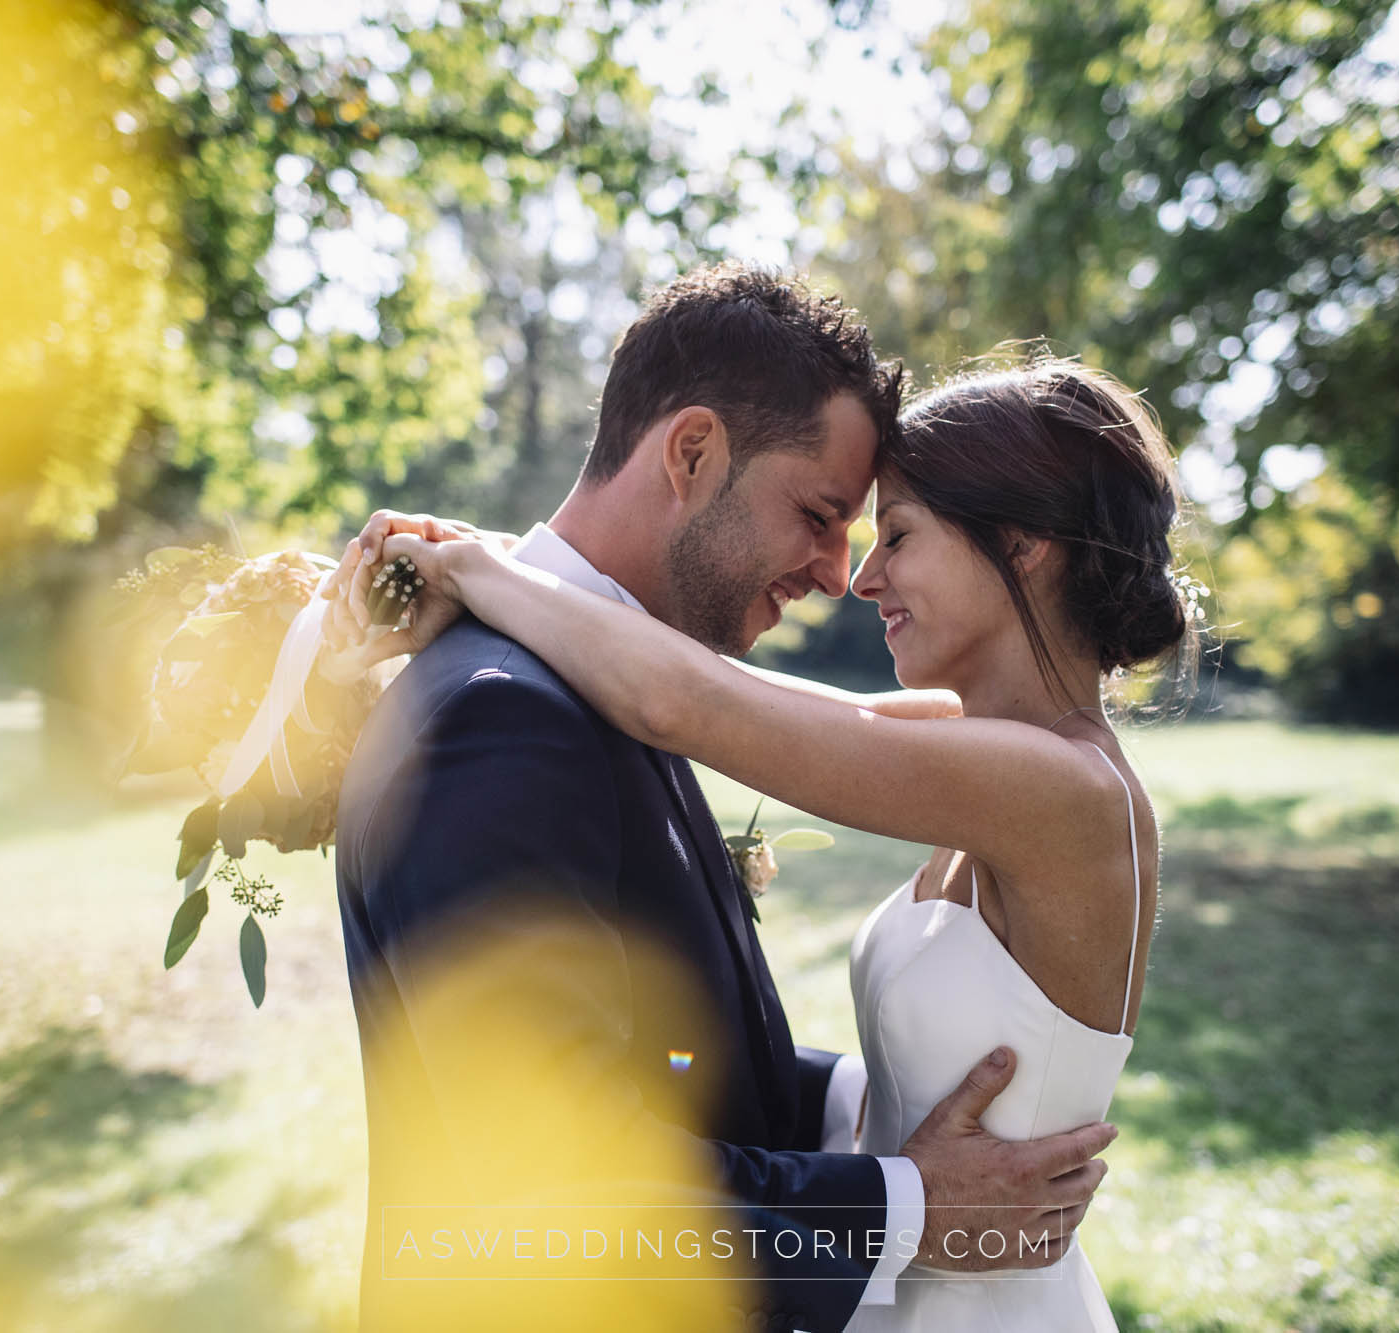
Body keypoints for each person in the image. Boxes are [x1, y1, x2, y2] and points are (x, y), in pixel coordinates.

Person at [328, 263, 1124, 1333]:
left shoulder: (625, 686)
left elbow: (681, 1049)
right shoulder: (507, 715)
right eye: (821, 513)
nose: (843, 573)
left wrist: (484, 567)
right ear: (691, 452)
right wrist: (906, 1190)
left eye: (887, 533)